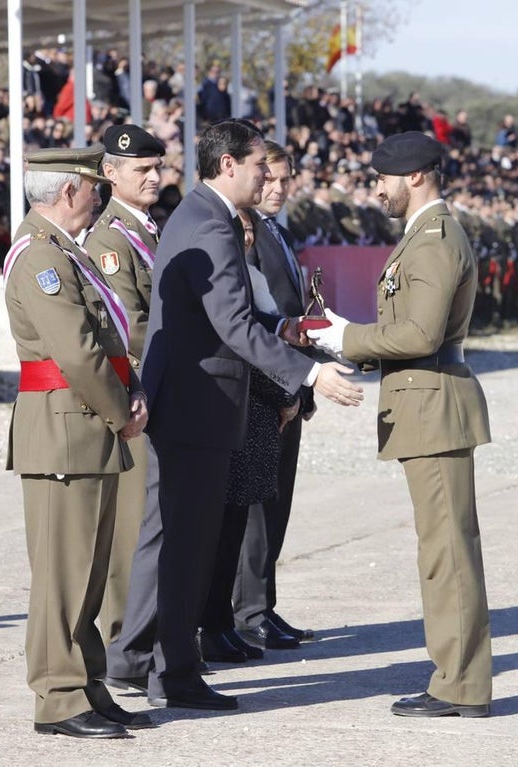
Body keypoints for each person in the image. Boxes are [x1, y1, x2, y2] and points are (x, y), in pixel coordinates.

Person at [103, 118, 363, 712]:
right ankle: (175, 674)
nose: (266, 175)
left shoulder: (196, 214)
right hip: (200, 406)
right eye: (258, 166)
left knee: (165, 537)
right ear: (228, 167)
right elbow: (232, 325)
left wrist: (286, 330)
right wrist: (309, 371)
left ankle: (133, 657)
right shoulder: (213, 224)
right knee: (187, 544)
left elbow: (235, 315)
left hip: (190, 403)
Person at [308, 131, 494, 719]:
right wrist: (349, 335)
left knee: (448, 553)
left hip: (435, 404)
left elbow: (419, 335)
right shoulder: (423, 236)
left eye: (382, 178)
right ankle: (456, 678)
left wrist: (347, 338)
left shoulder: (435, 240)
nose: (377, 189)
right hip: (426, 403)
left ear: (415, 176)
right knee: (440, 549)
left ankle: (459, 684)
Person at [5, 144, 151, 739]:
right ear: (68, 191)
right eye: (95, 186)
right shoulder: (41, 258)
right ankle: (58, 698)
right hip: (67, 426)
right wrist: (124, 411)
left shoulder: (64, 252)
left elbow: (107, 340)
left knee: (90, 570)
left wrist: (129, 390)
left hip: (85, 424)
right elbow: (78, 352)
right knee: (64, 575)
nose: (100, 195)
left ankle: (87, 681)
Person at [200, 210, 300, 663]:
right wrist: (287, 390)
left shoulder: (252, 275)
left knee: (243, 522)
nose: (243, 236)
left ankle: (226, 621)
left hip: (260, 412)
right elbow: (242, 343)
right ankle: (220, 622)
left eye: (247, 230)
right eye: (235, 229)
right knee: (225, 534)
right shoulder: (225, 279)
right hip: (240, 406)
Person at [81, 123, 165, 651]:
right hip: (139, 386)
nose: (155, 176)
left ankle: (148, 635)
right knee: (133, 526)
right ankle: (123, 641)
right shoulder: (111, 238)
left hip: (162, 384)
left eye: (158, 166)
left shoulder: (150, 229)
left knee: (156, 521)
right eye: (142, 169)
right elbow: (129, 322)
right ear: (110, 174)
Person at [233, 141, 315, 649]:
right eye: (271, 178)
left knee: (277, 504)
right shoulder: (243, 234)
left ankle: (265, 603)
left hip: (290, 382)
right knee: (257, 509)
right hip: (265, 388)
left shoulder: (278, 233)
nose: (279, 188)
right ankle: (248, 612)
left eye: (287, 180)